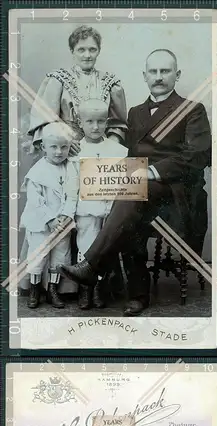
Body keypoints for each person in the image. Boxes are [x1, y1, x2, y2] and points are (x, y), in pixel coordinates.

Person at [57, 49, 212, 316]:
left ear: (177, 74)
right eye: (153, 71)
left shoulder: (192, 110)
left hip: (177, 193)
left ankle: (92, 267)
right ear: (144, 76)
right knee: (129, 201)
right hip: (140, 192)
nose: (159, 77)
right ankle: (137, 296)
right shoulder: (136, 112)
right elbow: (129, 157)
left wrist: (151, 172)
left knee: (131, 194)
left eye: (165, 71)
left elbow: (198, 156)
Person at [20, 24, 127, 295]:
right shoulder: (58, 79)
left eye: (92, 49)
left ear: (99, 51)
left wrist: (108, 145)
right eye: (81, 49)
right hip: (66, 155)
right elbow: (45, 120)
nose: (87, 54)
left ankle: (97, 285)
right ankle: (58, 285)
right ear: (72, 51)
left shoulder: (111, 82)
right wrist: (66, 144)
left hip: (99, 155)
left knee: (96, 218)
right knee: (64, 214)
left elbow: (118, 123)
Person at [75, 98, 128, 309]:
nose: (95, 127)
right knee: (86, 243)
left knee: (104, 246)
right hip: (86, 207)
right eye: (89, 122)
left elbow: (124, 179)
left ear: (107, 122)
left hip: (109, 206)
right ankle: (85, 289)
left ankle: (99, 287)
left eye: (100, 121)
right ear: (80, 123)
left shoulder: (117, 150)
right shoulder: (75, 150)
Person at [20, 122, 78, 309]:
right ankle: (35, 289)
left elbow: (72, 194)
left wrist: (66, 216)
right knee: (38, 256)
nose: (59, 152)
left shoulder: (70, 168)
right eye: (54, 147)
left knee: (60, 257)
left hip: (62, 223)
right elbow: (35, 200)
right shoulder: (38, 171)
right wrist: (50, 219)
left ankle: (53, 289)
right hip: (42, 223)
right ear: (44, 147)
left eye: (64, 147)